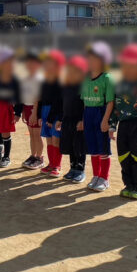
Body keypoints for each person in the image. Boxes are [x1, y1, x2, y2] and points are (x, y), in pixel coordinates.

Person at [109, 44, 137, 200]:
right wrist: (112, 125)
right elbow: (115, 107)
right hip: (124, 126)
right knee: (124, 156)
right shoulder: (120, 84)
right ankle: (129, 185)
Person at [82, 41, 115, 192]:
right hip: (88, 113)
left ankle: (104, 178)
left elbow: (110, 102)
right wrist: (83, 119)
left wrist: (105, 119)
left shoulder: (107, 78)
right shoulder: (86, 78)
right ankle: (96, 176)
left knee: (103, 147)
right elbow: (84, 102)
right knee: (93, 147)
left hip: (101, 113)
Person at [0, 46, 23, 167]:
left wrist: (18, 112)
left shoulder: (14, 79)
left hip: (6, 108)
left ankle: (6, 157)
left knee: (5, 133)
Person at [33, 49, 65, 177]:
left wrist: (54, 118)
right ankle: (51, 164)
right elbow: (41, 99)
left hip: (56, 113)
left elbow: (60, 102)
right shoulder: (44, 80)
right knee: (49, 140)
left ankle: (57, 165)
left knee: (56, 139)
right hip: (45, 112)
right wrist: (40, 115)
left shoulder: (60, 81)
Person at [56, 55, 88, 183]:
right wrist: (60, 119)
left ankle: (80, 170)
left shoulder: (84, 87)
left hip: (78, 121)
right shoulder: (66, 86)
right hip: (67, 119)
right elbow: (62, 104)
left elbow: (86, 105)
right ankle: (72, 168)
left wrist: (83, 120)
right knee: (70, 145)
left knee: (79, 146)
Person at [20, 49, 45, 170]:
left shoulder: (39, 78)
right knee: (31, 134)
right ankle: (33, 155)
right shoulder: (25, 78)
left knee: (37, 134)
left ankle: (39, 158)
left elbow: (37, 97)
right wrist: (24, 111)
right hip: (27, 107)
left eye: (33, 62)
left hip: (36, 109)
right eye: (28, 62)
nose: (30, 65)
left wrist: (34, 113)